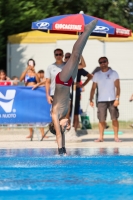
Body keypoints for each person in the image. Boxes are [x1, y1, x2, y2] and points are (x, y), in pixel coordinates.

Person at [49, 19, 97, 155]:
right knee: (77, 56)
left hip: (61, 81)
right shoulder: (64, 115)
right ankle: (85, 34)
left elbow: (59, 134)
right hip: (69, 82)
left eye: (64, 127)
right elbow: (62, 134)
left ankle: (86, 31)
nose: (67, 126)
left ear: (56, 124)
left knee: (75, 56)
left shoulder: (55, 115)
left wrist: (61, 152)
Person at [90, 56, 121, 142]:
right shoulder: (97, 75)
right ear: (99, 64)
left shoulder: (114, 73)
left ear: (108, 62)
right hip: (101, 100)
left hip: (112, 100)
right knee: (101, 120)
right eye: (101, 62)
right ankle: (101, 137)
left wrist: (117, 98)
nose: (103, 63)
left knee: (114, 118)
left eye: (104, 61)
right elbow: (93, 88)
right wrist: (90, 99)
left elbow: (118, 87)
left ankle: (116, 137)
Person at [20, 59, 46, 140]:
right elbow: (20, 79)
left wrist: (34, 72)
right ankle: (31, 133)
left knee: (38, 113)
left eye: (32, 64)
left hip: (35, 93)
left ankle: (42, 133)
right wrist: (26, 69)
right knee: (29, 113)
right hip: (28, 94)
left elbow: (38, 81)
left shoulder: (36, 73)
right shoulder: (26, 73)